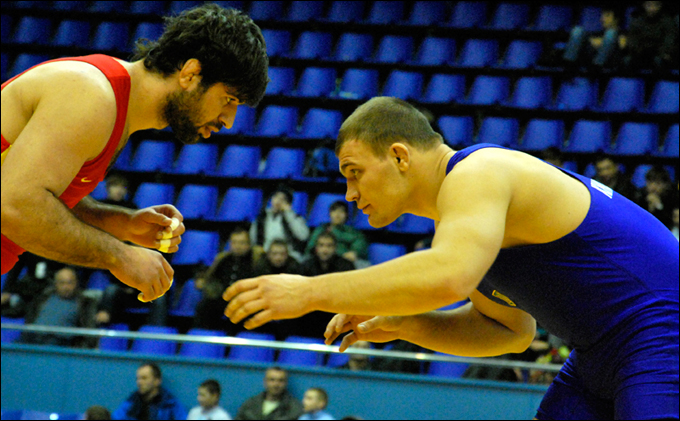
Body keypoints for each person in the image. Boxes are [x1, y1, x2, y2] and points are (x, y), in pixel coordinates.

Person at [224, 97, 679, 420]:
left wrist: (306, 291)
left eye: (354, 173)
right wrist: (405, 325)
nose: (351, 193)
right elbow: (509, 332)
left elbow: (449, 276)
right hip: (601, 353)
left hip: (660, 331)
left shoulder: (479, 172)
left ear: (399, 155)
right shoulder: (461, 223)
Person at [1, 4, 270, 305]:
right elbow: (14, 205)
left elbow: (44, 193)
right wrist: (120, 256)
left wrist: (121, 223)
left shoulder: (114, 105)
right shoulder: (92, 95)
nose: (229, 120)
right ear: (191, 74)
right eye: (228, 99)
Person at [193, 227, 264, 333]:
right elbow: (210, 276)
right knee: (204, 306)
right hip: (223, 297)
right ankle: (204, 338)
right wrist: (203, 281)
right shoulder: (223, 259)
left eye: (242, 243)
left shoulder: (256, 261)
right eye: (234, 242)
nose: (238, 246)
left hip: (245, 300)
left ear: (249, 244)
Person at [20, 266, 97, 348]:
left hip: (61, 343)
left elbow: (89, 333)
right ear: (55, 284)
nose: (66, 287)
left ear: (76, 283)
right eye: (62, 283)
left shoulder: (85, 303)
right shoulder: (42, 298)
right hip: (32, 339)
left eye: (70, 283)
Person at [250, 186, 310, 263]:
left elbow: (303, 236)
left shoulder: (294, 217)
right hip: (266, 255)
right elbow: (253, 239)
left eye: (282, 199)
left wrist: (289, 214)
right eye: (276, 197)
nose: (278, 201)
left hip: (288, 255)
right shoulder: (262, 217)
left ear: (288, 203)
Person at [112, 362, 187, 420]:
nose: (139, 382)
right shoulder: (132, 401)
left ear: (157, 381)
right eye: (138, 378)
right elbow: (116, 417)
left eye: (144, 378)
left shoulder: (170, 403)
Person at [304, 201, 369, 268]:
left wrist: (354, 253)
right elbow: (311, 247)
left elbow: (359, 246)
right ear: (330, 213)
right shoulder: (321, 229)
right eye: (334, 211)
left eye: (341, 212)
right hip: (322, 260)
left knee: (363, 265)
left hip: (345, 261)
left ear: (346, 215)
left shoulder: (353, 232)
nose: (337, 215)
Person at [1, 252, 60, 318]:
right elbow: (16, 269)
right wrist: (7, 291)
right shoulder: (29, 247)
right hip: (30, 286)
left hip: (52, 286)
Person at [624, 1, 679, 70]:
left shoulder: (667, 21)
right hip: (640, 53)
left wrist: (662, 52)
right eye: (649, 5)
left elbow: (669, 40)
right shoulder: (637, 21)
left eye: (656, 5)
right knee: (628, 60)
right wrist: (639, 51)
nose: (653, 8)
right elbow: (633, 40)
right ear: (644, 5)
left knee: (660, 60)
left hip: (659, 53)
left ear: (660, 5)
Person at [235, 367, 303, 420]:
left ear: (286, 383)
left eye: (280, 380)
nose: (276, 384)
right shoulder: (250, 405)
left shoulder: (295, 409)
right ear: (265, 382)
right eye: (272, 380)